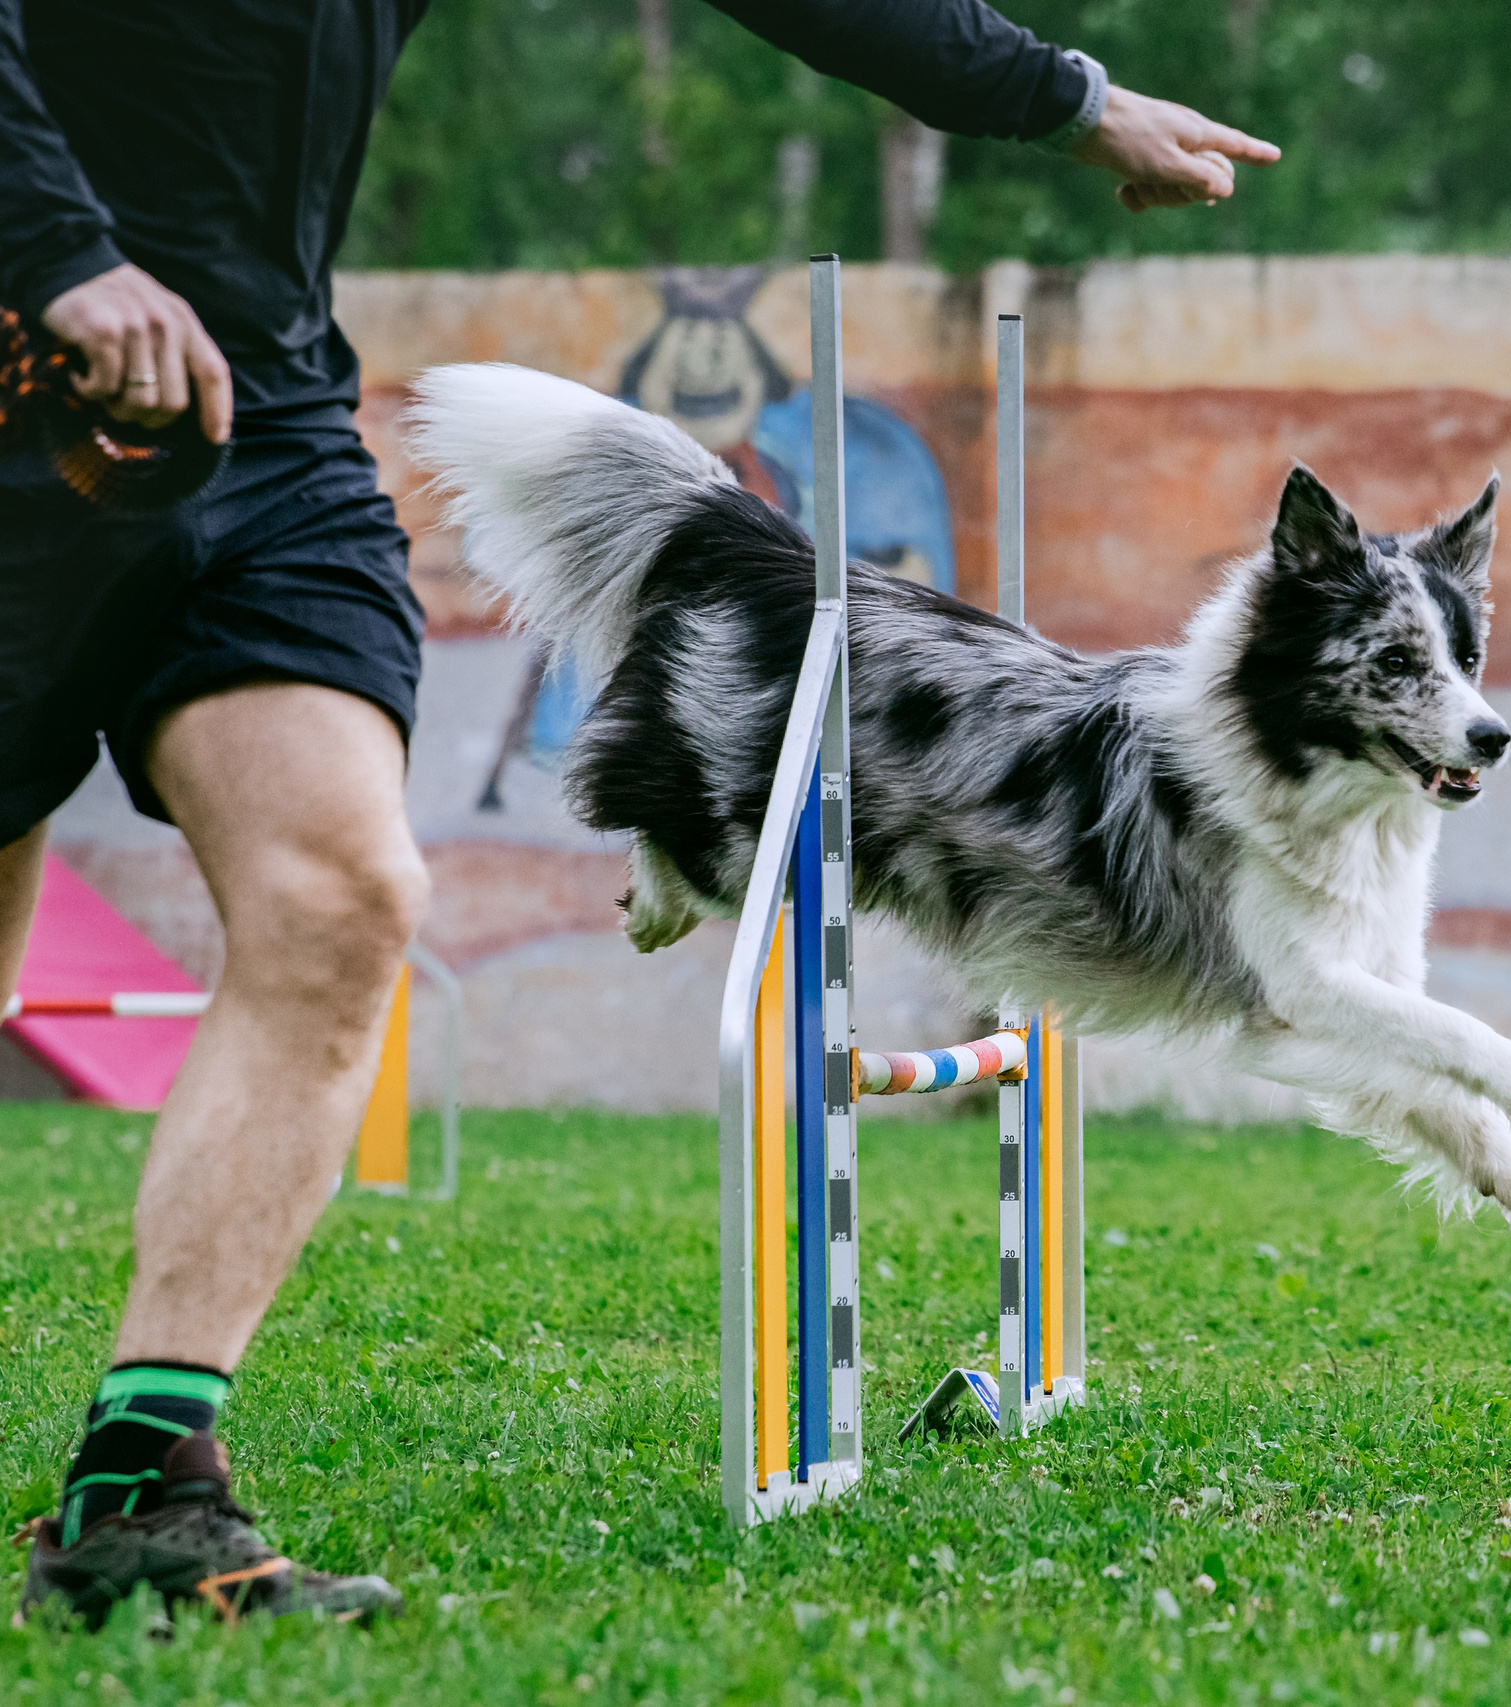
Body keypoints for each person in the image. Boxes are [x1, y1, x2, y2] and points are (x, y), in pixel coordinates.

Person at [1, 0, 1277, 1631]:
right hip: (17, 387)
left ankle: (139, 1491)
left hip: (260, 422)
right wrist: (55, 248)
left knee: (342, 899)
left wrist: (1065, 95)